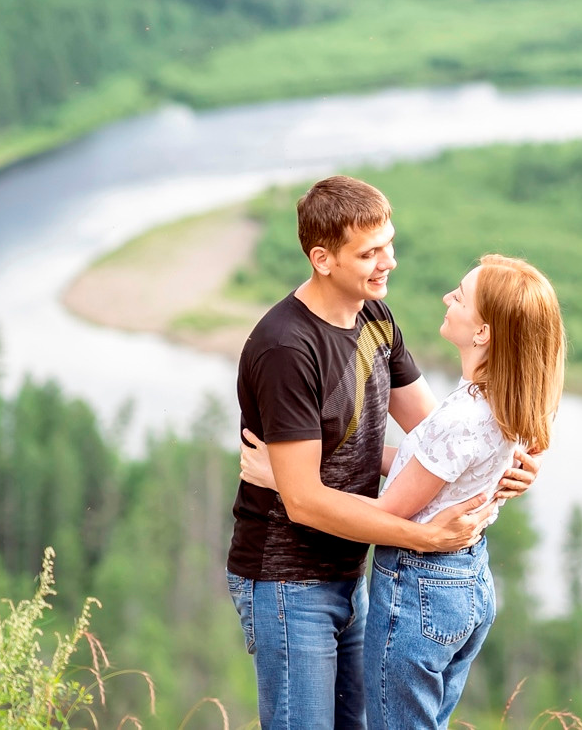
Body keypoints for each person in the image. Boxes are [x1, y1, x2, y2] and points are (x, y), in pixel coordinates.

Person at [225, 176, 542, 729]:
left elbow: (432, 443)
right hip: (288, 579)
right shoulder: (287, 348)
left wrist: (508, 464)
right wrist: (425, 537)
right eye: (369, 253)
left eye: (389, 244)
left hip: (355, 569)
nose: (388, 261)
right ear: (322, 258)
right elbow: (303, 505)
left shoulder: (376, 319)